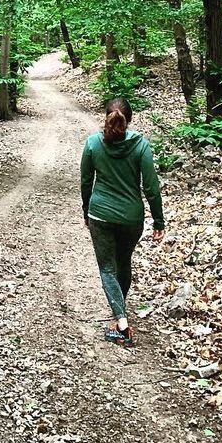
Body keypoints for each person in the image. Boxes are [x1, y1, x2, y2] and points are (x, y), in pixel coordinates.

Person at [80, 96, 164, 347]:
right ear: (130, 119)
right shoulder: (141, 146)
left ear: (105, 116)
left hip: (100, 215)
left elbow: (85, 182)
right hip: (131, 218)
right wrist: (158, 221)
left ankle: (123, 325)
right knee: (123, 262)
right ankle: (120, 315)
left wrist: (87, 210)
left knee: (107, 268)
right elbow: (151, 187)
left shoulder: (93, 144)